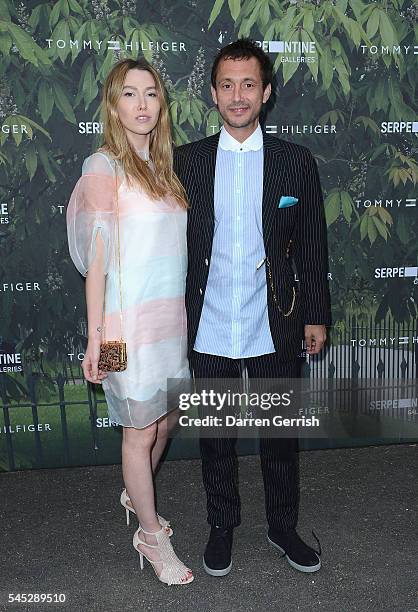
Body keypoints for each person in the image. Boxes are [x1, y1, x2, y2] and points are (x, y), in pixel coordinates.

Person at [174, 39, 331, 576]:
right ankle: (222, 525)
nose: (237, 95)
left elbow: (312, 243)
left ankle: (282, 525)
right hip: (208, 319)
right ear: (213, 94)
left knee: (279, 433)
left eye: (248, 84)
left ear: (265, 93)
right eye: (226, 84)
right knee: (215, 432)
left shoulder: (294, 162)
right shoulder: (186, 162)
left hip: (276, 320)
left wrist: (315, 314)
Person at [66, 58, 193, 585]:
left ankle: (133, 491)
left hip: (168, 322)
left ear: (161, 104)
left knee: (164, 421)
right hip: (121, 328)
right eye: (129, 94)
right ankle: (150, 536)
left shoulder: (164, 170)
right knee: (138, 430)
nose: (142, 104)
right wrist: (96, 337)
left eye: (151, 93)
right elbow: (96, 261)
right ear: (113, 106)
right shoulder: (102, 167)